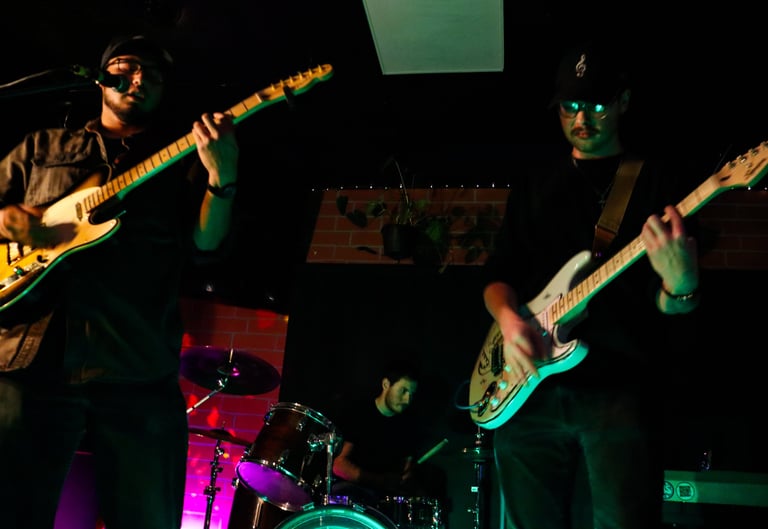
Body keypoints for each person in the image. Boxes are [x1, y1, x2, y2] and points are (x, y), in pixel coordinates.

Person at [0, 34, 239, 529]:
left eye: (153, 75)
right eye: (127, 68)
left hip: (136, 362)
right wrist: (10, 222)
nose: (138, 80)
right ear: (102, 78)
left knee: (147, 517)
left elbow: (206, 245)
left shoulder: (179, 157)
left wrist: (223, 176)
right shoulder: (42, 147)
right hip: (30, 356)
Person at [481, 43, 702, 529]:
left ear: (623, 102)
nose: (582, 118)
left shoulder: (656, 180)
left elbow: (672, 303)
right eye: (571, 106)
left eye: (597, 104)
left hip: (619, 388)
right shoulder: (535, 184)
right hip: (529, 390)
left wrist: (682, 283)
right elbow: (499, 274)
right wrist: (510, 320)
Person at [329, 358, 446, 512]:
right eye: (403, 391)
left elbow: (406, 468)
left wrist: (407, 476)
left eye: (412, 394)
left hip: (386, 497)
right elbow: (339, 465)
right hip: (354, 491)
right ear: (386, 384)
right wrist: (379, 480)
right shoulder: (358, 413)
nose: (408, 399)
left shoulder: (410, 423)